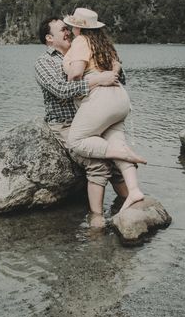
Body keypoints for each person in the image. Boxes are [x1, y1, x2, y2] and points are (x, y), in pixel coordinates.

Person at [35, 16, 128, 227]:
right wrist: (96, 79)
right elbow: (60, 91)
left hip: (95, 119)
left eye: (68, 29)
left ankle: (130, 203)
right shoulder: (44, 62)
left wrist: (115, 70)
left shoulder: (86, 50)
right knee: (97, 161)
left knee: (117, 162)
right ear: (49, 38)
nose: (68, 32)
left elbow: (119, 80)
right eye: (62, 30)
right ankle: (96, 217)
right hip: (66, 123)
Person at [62, 7, 146, 211]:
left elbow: (76, 73)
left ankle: (123, 154)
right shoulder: (104, 44)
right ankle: (134, 191)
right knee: (115, 139)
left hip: (100, 98)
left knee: (75, 141)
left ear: (77, 27)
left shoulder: (81, 41)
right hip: (120, 98)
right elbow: (117, 66)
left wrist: (72, 72)